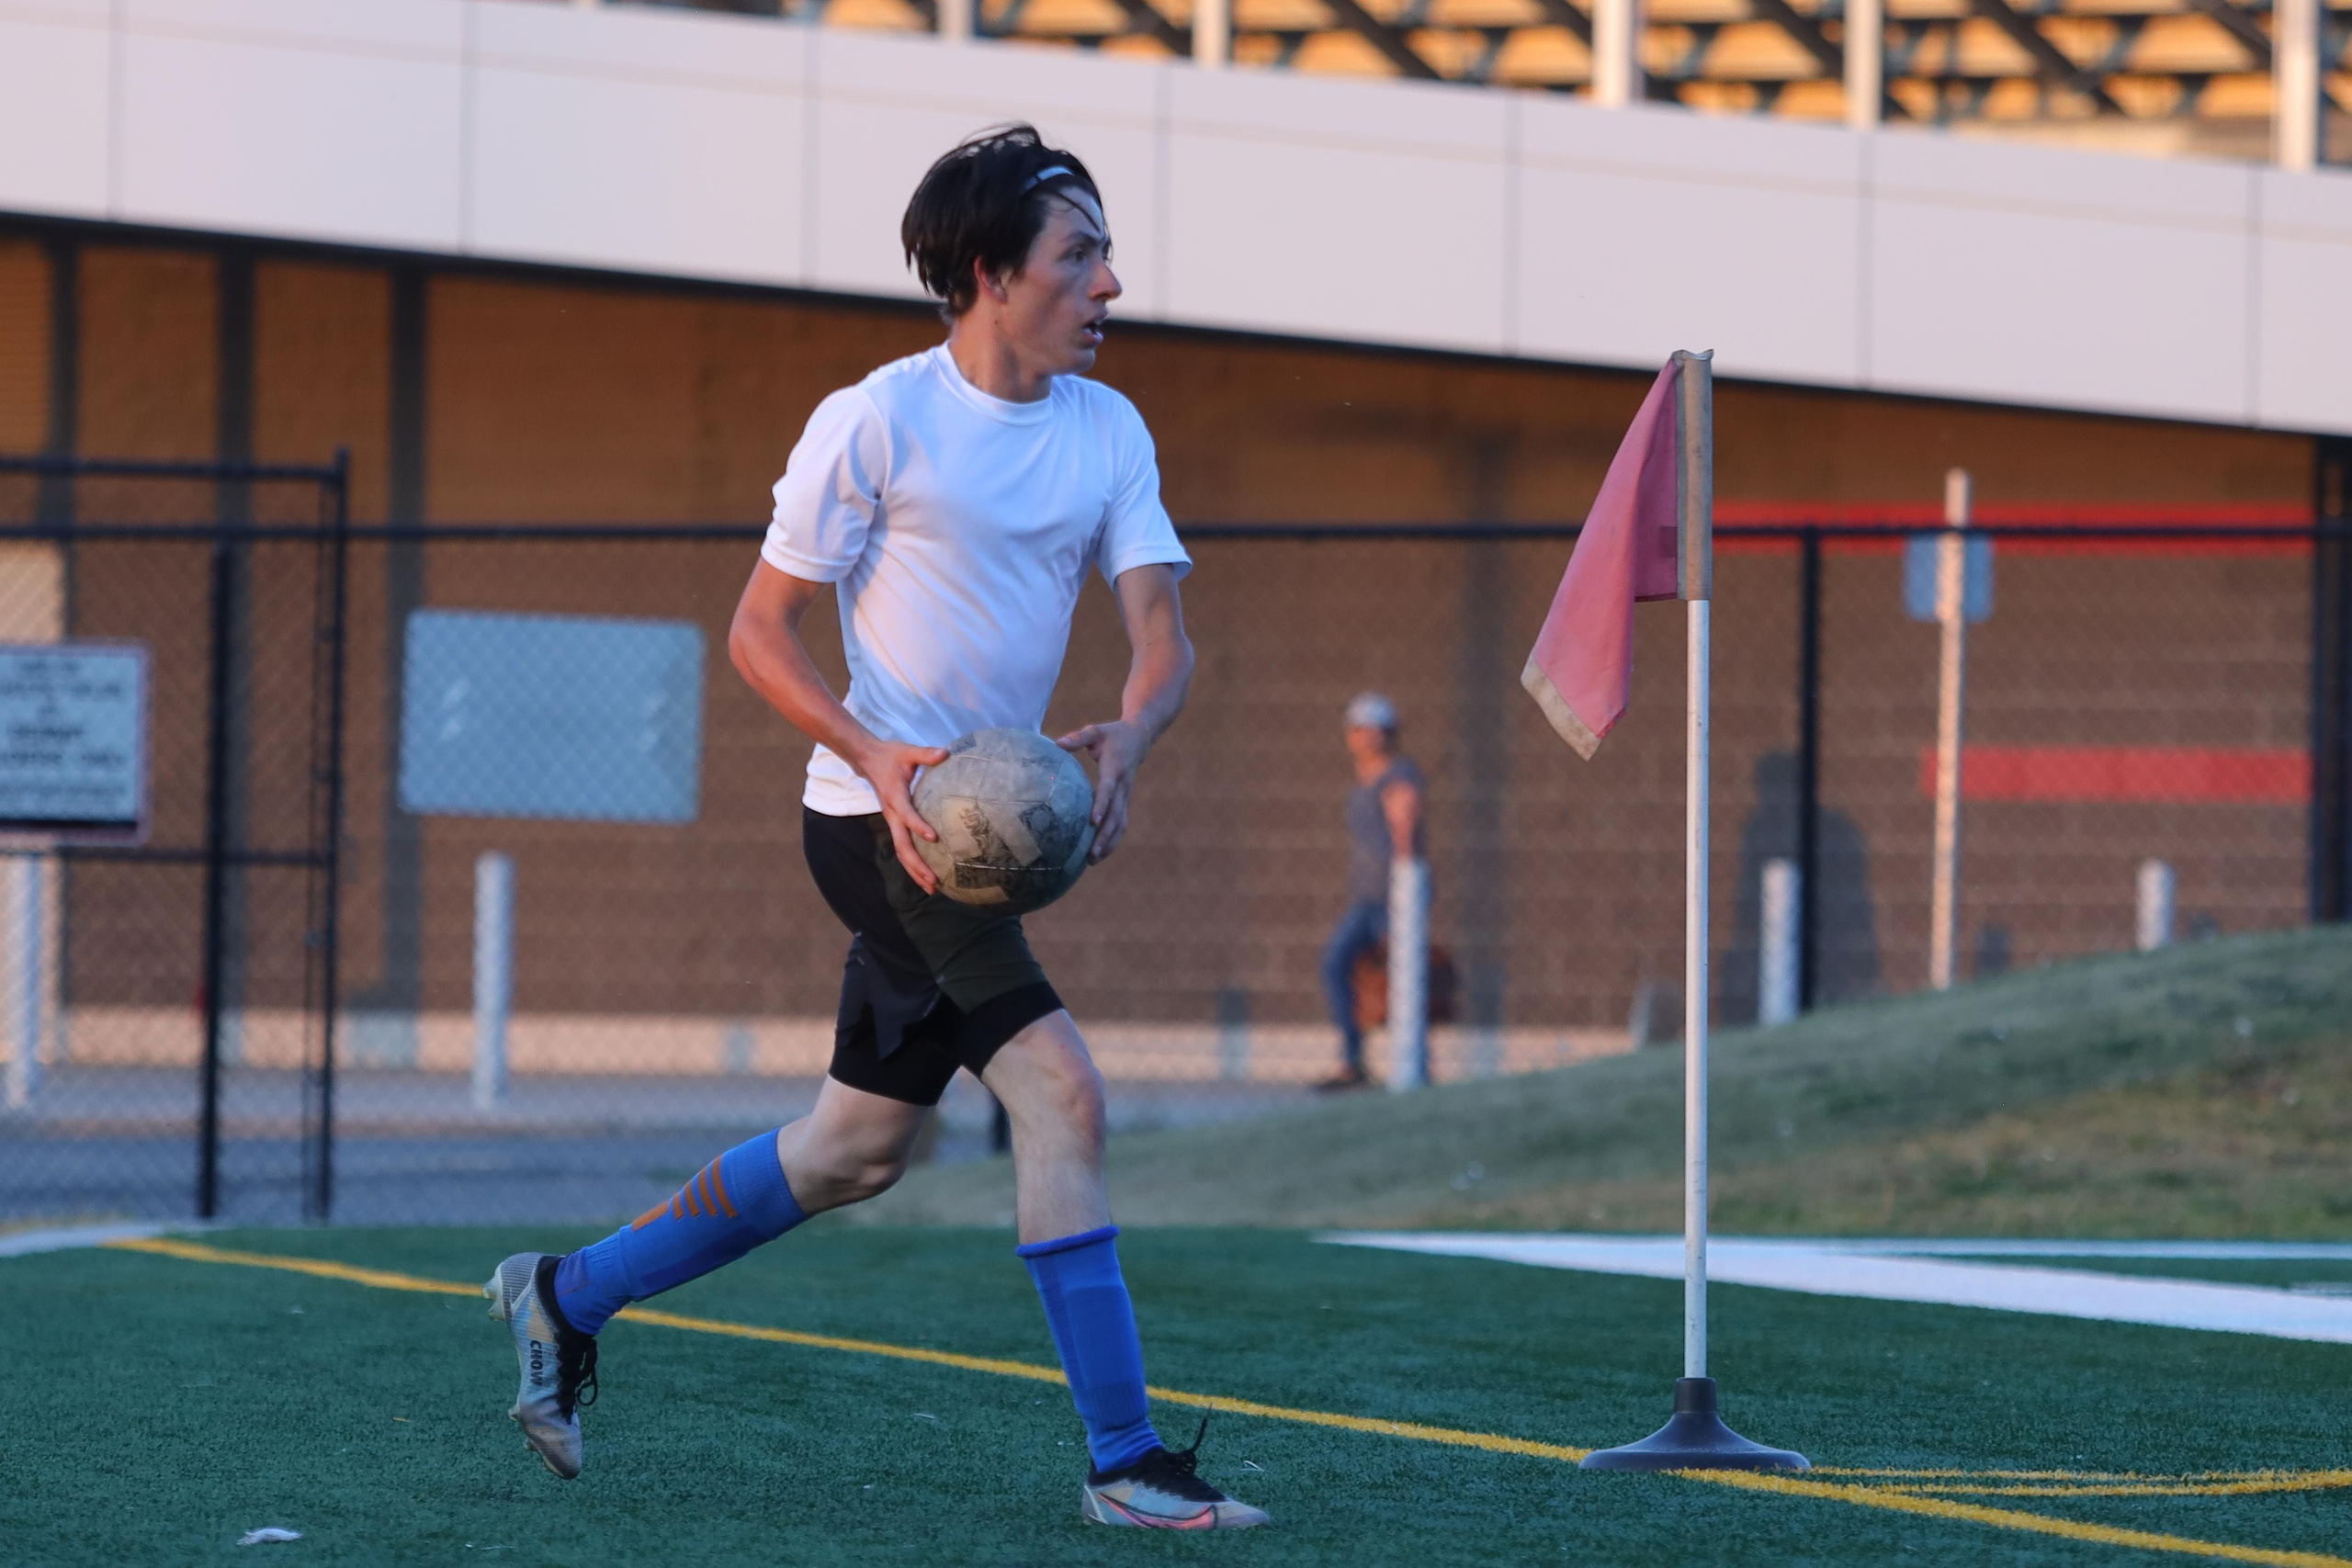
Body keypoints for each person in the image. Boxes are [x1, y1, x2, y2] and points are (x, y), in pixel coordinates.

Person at [480, 125, 1268, 1531]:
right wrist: (880, 752)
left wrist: (1131, 734)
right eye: (1078, 257)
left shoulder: (1108, 429)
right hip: (876, 825)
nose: (1109, 284)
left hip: (974, 835)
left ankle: (564, 1290)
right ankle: (1127, 1457)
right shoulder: (878, 418)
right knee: (1062, 1091)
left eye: (1104, 255)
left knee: (853, 1151)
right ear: (990, 276)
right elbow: (758, 632)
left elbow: (1164, 632)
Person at [1317, 693, 1426, 1090]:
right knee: (1337, 964)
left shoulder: (1398, 778)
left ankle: (1416, 1065)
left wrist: (1406, 895)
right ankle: (1353, 1061)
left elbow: (1405, 834)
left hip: (1393, 896)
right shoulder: (1363, 780)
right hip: (1364, 899)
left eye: (1369, 730)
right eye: (1357, 729)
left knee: (1405, 978)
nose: (1361, 737)